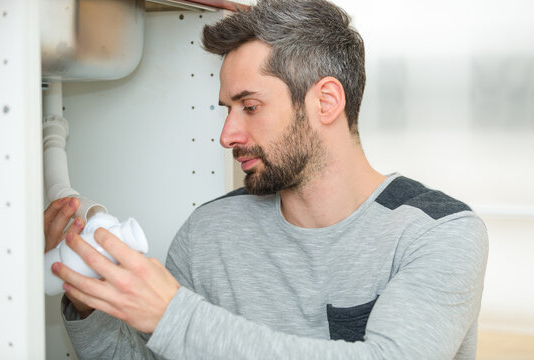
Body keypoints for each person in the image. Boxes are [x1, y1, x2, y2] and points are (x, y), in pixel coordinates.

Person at [44, 0, 489, 358]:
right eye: (226, 109)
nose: (227, 135)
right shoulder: (208, 234)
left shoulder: (439, 234)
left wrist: (173, 316)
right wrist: (90, 300)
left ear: (327, 101)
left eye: (250, 106)